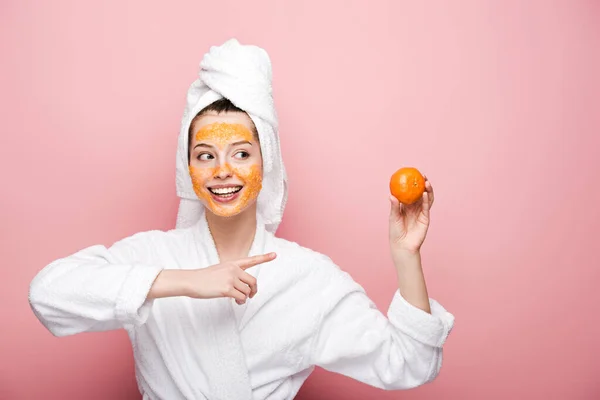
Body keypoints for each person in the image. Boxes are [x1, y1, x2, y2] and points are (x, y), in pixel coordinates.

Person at [29, 39, 455, 400]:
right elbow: (48, 294)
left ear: (265, 161)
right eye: (204, 155)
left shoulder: (307, 277)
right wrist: (182, 281)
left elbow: (410, 363)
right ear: (188, 169)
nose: (222, 171)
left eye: (241, 153)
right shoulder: (154, 255)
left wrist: (405, 256)